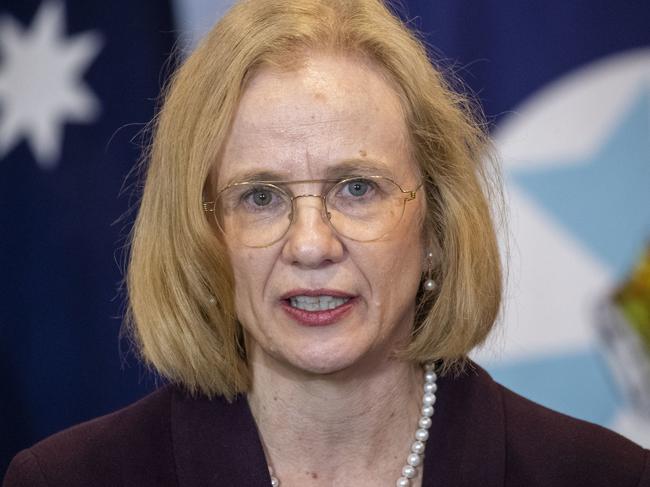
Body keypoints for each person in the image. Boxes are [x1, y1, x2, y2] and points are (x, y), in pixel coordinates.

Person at [4, 0, 649, 486]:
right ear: (202, 235)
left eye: (357, 188)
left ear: (437, 226)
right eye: (260, 196)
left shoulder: (606, 477)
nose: (311, 246)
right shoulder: (69, 479)